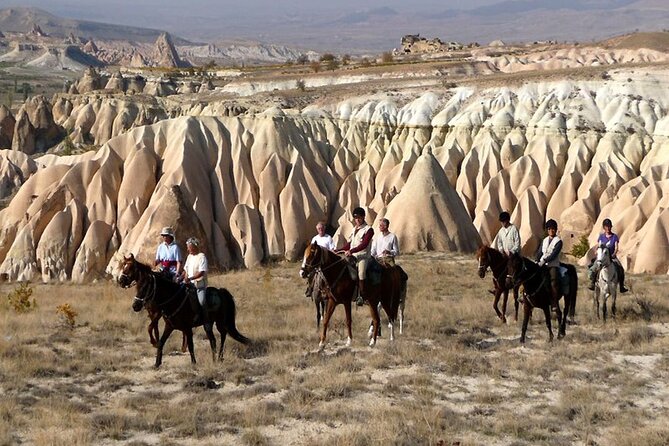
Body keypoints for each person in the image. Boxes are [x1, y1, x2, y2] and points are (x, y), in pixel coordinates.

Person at [339, 207, 374, 306]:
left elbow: (364, 244)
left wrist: (352, 251)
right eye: (355, 218)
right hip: (352, 256)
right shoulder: (354, 229)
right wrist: (338, 250)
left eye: (359, 218)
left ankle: (362, 296)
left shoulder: (369, 230)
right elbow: (349, 244)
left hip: (363, 257)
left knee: (361, 273)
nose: (357, 220)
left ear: (363, 217)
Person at [588, 218, 628, 293]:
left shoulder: (614, 237)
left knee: (620, 269)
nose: (608, 228)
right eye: (606, 226)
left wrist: (614, 254)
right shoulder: (601, 236)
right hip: (602, 257)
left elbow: (616, 247)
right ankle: (593, 283)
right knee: (594, 268)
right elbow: (598, 245)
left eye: (609, 226)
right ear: (604, 227)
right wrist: (597, 251)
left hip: (612, 257)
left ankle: (621, 286)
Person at [536, 219, 562, 312]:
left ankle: (554, 302)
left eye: (553, 229)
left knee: (553, 281)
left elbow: (554, 254)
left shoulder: (558, 241)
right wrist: (537, 260)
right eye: (550, 229)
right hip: (542, 264)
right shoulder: (544, 240)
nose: (551, 230)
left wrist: (544, 260)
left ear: (555, 230)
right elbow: (539, 252)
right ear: (547, 230)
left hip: (552, 265)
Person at [305, 221, 335, 299]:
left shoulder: (328, 238)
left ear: (324, 229)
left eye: (322, 228)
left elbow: (332, 249)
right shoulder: (315, 238)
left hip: (326, 261)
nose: (320, 230)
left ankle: (330, 289)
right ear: (317, 229)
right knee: (311, 274)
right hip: (316, 261)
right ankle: (310, 288)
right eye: (319, 229)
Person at [182, 237, 209, 324]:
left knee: (202, 302)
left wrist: (191, 278)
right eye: (187, 247)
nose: (187, 249)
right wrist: (183, 277)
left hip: (199, 285)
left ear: (194, 247)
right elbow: (186, 270)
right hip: (189, 284)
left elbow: (201, 272)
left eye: (189, 247)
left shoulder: (202, 257)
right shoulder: (189, 257)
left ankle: (205, 319)